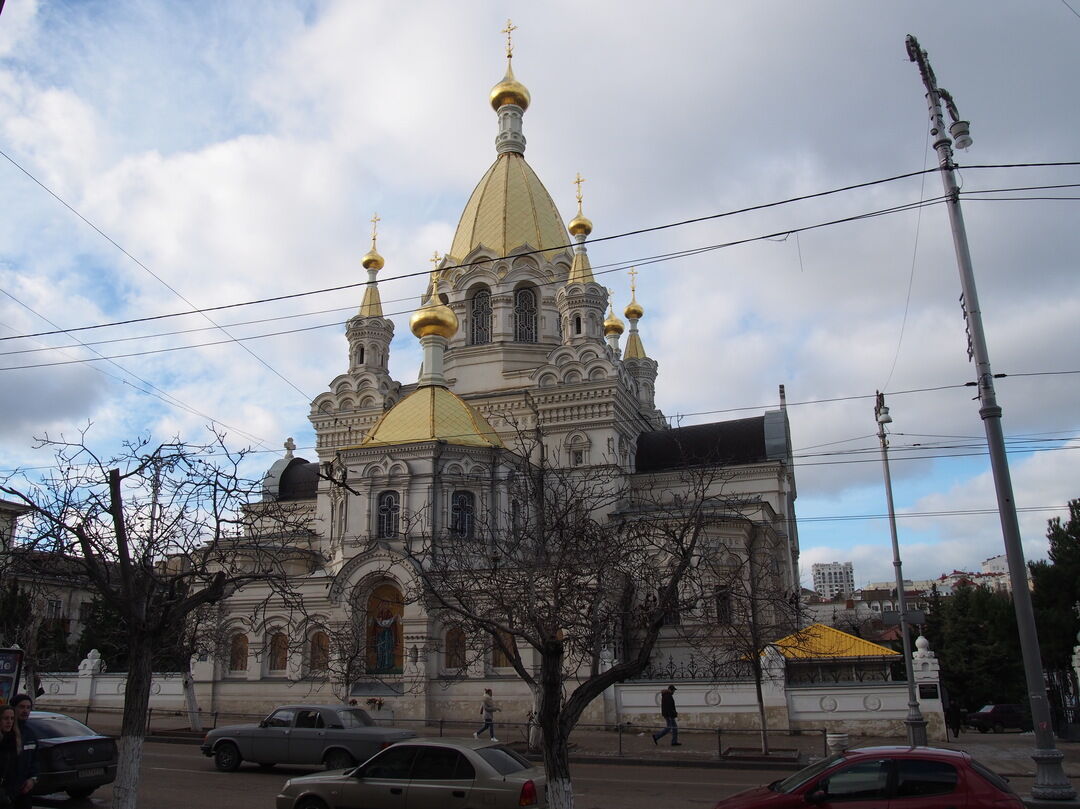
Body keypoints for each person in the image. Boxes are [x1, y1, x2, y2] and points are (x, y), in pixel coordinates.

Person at [0, 704, 36, 808]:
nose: (9, 722)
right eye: (5, 718)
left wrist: (31, 779)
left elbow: (19, 767)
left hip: (12, 794)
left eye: (12, 718)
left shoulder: (15, 741)